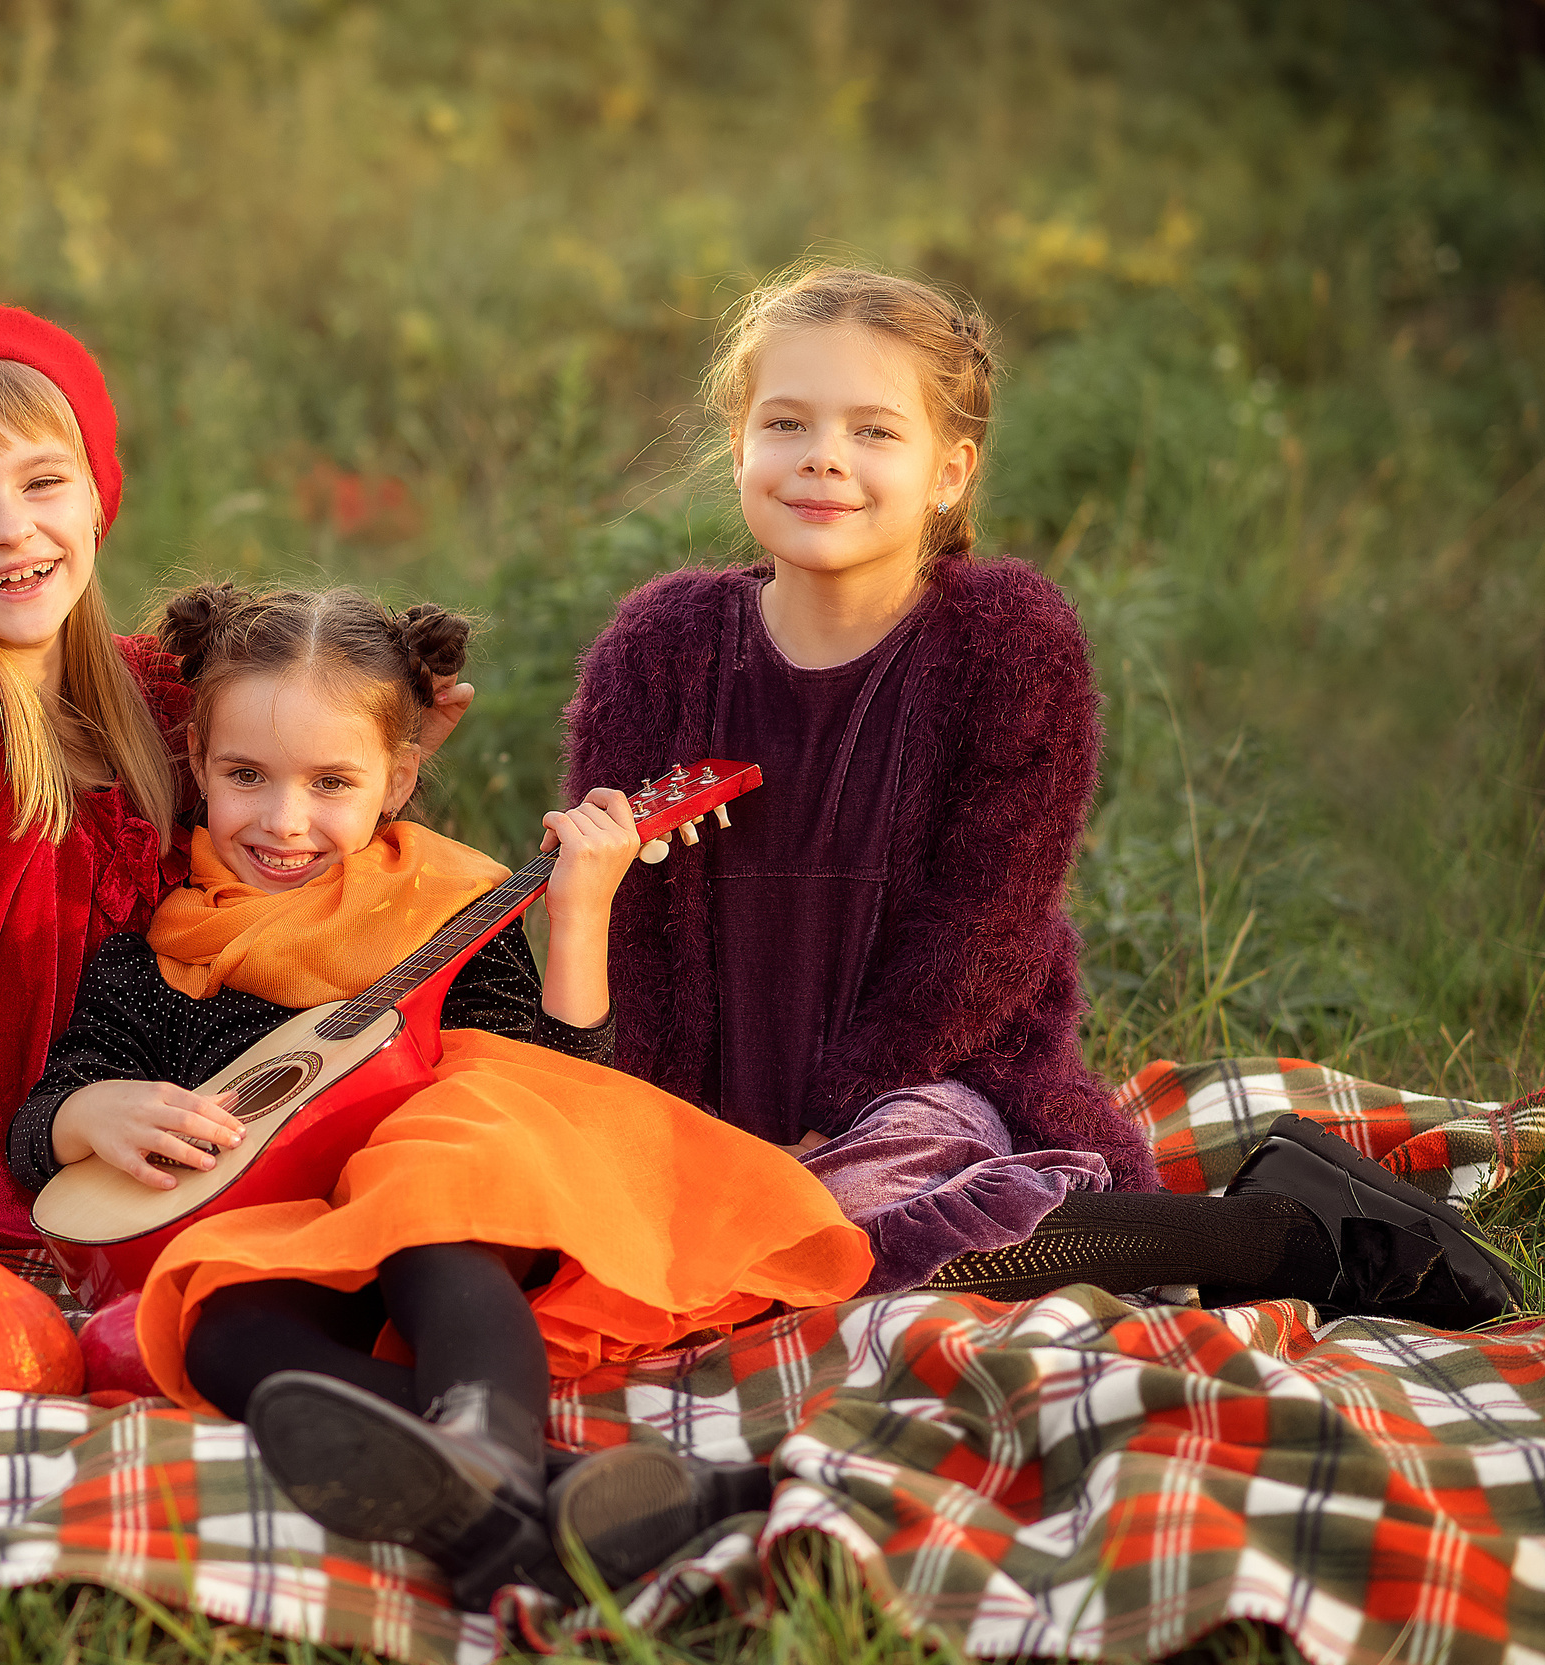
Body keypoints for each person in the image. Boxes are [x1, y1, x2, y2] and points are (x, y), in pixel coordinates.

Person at [564, 265, 1512, 1329]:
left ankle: (1285, 1237)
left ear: (949, 473)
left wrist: (831, 1128)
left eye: (875, 431)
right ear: (740, 444)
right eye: (786, 422)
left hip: (919, 1087)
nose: (823, 455)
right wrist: (671, 1136)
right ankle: (1250, 1233)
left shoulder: (1002, 641)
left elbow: (984, 930)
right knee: (628, 1223)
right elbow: (633, 938)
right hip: (719, 1102)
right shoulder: (659, 648)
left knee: (847, 1215)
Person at [9, 584, 872, 1610]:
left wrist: (581, 911)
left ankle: (480, 1446)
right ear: (196, 764)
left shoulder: (443, 910)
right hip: (289, 1236)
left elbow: (545, 1088)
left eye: (331, 781)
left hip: (448, 1228)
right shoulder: (155, 954)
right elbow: (37, 1124)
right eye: (246, 775)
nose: (284, 820)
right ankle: (535, 1495)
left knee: (440, 1166)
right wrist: (85, 1112)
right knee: (217, 1327)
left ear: (398, 777)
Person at [0, 305, 473, 1246]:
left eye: (43, 483)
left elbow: (269, 835)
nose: (10, 530)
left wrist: (392, 761)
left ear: (94, 497)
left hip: (172, 1096)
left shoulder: (152, 692)